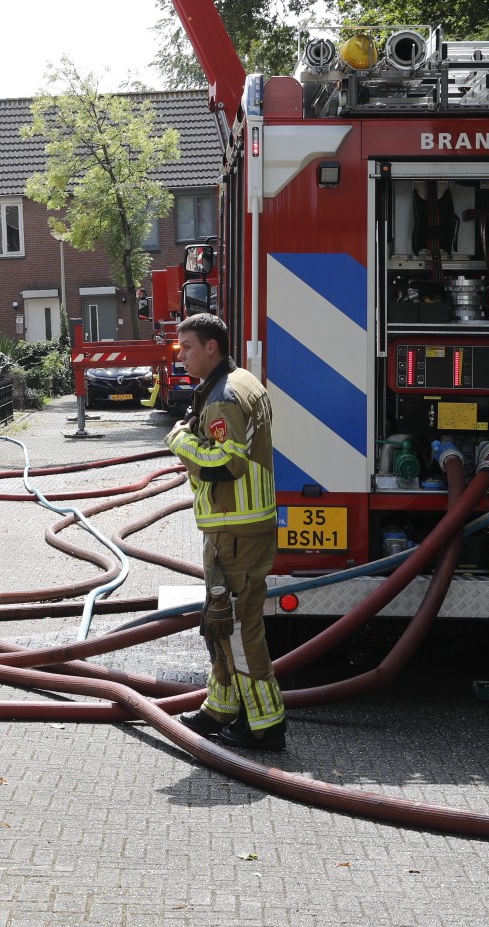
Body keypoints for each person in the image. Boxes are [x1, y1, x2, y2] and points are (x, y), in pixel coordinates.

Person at [164, 312, 285, 751]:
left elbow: (224, 464)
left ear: (211, 347)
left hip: (236, 531)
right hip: (236, 529)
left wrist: (179, 440)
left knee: (236, 626)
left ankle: (266, 724)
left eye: (188, 346)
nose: (182, 355)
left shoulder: (224, 397)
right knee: (220, 622)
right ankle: (221, 709)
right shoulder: (242, 381)